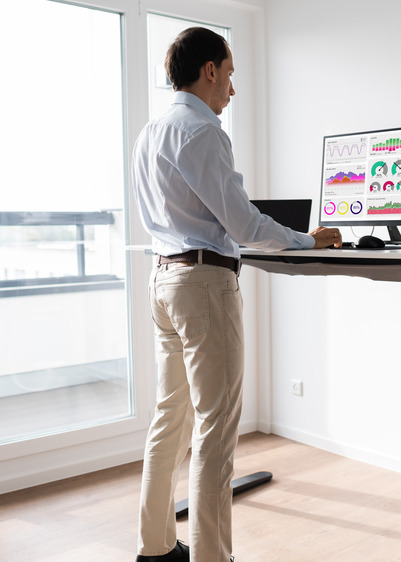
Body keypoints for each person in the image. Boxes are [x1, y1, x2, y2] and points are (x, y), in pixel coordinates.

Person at [130, 27, 341, 562]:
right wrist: (305, 239)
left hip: (163, 282)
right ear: (209, 70)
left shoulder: (151, 131)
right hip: (203, 285)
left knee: (169, 421)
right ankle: (211, 558)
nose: (232, 89)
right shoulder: (202, 132)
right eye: (230, 75)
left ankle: (155, 547)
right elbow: (243, 223)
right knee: (216, 431)